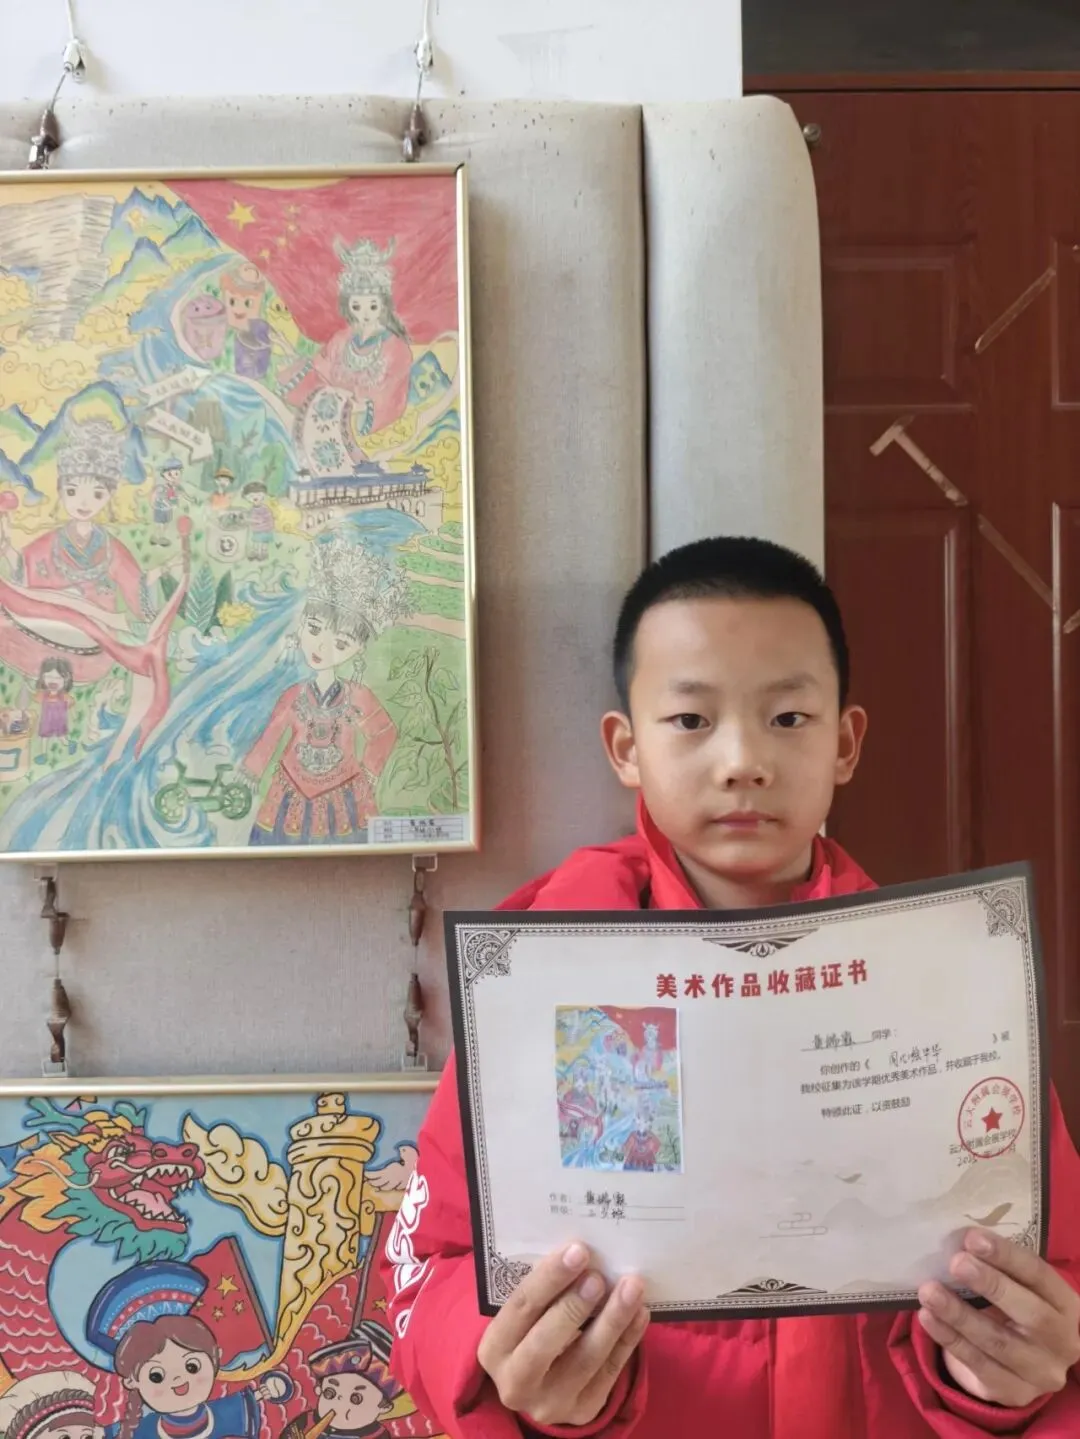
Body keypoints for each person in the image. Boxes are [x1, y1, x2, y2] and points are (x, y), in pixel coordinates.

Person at [380, 536, 1080, 1437]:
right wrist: (521, 1373)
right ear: (626, 747)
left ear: (845, 742)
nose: (743, 759)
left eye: (788, 717)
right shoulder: (543, 978)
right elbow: (431, 1262)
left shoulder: (940, 982)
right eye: (691, 719)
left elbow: (1053, 1268)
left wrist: (1005, 1376)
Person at [241, 536, 405, 845]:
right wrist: (252, 771)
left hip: (345, 793)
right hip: (289, 790)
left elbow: (384, 732)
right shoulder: (293, 695)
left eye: (341, 643)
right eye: (314, 630)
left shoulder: (359, 697)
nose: (322, 648)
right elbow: (271, 734)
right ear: (302, 624)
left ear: (357, 649)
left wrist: (370, 770)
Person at [87, 1261, 291, 1439]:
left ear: (215, 1357)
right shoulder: (141, 1430)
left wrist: (272, 1388)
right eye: (156, 1376)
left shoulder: (225, 1414)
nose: (178, 1379)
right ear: (132, 1381)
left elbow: (262, 1395)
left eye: (192, 1366)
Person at [277, 1328, 403, 1439]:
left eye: (356, 1398)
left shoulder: (377, 1436)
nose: (339, 1401)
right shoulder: (306, 1422)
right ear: (319, 1390)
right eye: (330, 1393)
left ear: (384, 1407)